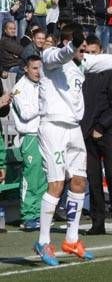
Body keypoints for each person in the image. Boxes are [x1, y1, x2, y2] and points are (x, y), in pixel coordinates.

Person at [33, 23, 112, 266]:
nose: (85, 50)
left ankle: (72, 239)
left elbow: (111, 60)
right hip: (53, 127)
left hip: (74, 128)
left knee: (79, 182)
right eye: (81, 45)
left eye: (85, 46)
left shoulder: (83, 63)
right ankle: (43, 241)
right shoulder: (50, 58)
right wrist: (73, 44)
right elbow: (61, 54)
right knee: (56, 184)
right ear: (68, 43)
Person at [81, 36, 112, 236]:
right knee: (93, 179)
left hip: (106, 132)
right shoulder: (81, 72)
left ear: (100, 51)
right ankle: (98, 222)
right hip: (86, 132)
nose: (90, 56)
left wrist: (101, 125)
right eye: (87, 52)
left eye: (93, 52)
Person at [12, 55, 45, 231]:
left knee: (43, 177)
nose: (38, 72)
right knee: (30, 177)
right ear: (26, 68)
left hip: (44, 134)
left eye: (40, 68)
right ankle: (28, 216)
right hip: (29, 137)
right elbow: (25, 113)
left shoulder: (43, 84)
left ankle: (39, 213)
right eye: (34, 68)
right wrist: (43, 104)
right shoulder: (19, 88)